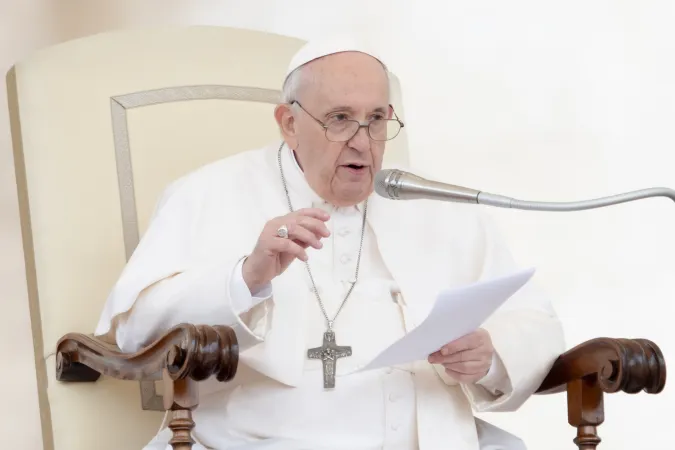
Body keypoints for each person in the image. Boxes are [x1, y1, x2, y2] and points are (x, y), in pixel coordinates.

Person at [95, 36, 565, 450]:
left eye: (376, 119)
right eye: (340, 119)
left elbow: (534, 318)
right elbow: (135, 329)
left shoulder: (437, 206)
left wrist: (491, 356)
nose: (363, 142)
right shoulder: (208, 193)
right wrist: (246, 277)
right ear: (288, 123)